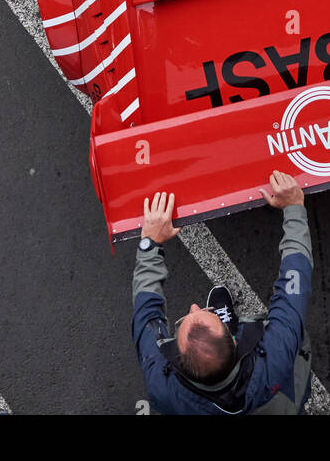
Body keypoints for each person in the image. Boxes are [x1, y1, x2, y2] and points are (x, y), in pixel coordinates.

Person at [131, 174, 313, 415]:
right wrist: (294, 206)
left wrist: (149, 245)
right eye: (209, 315)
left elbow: (145, 314)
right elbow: (295, 277)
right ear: (234, 339)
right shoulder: (278, 353)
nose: (194, 307)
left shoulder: (162, 389)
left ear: (177, 363)